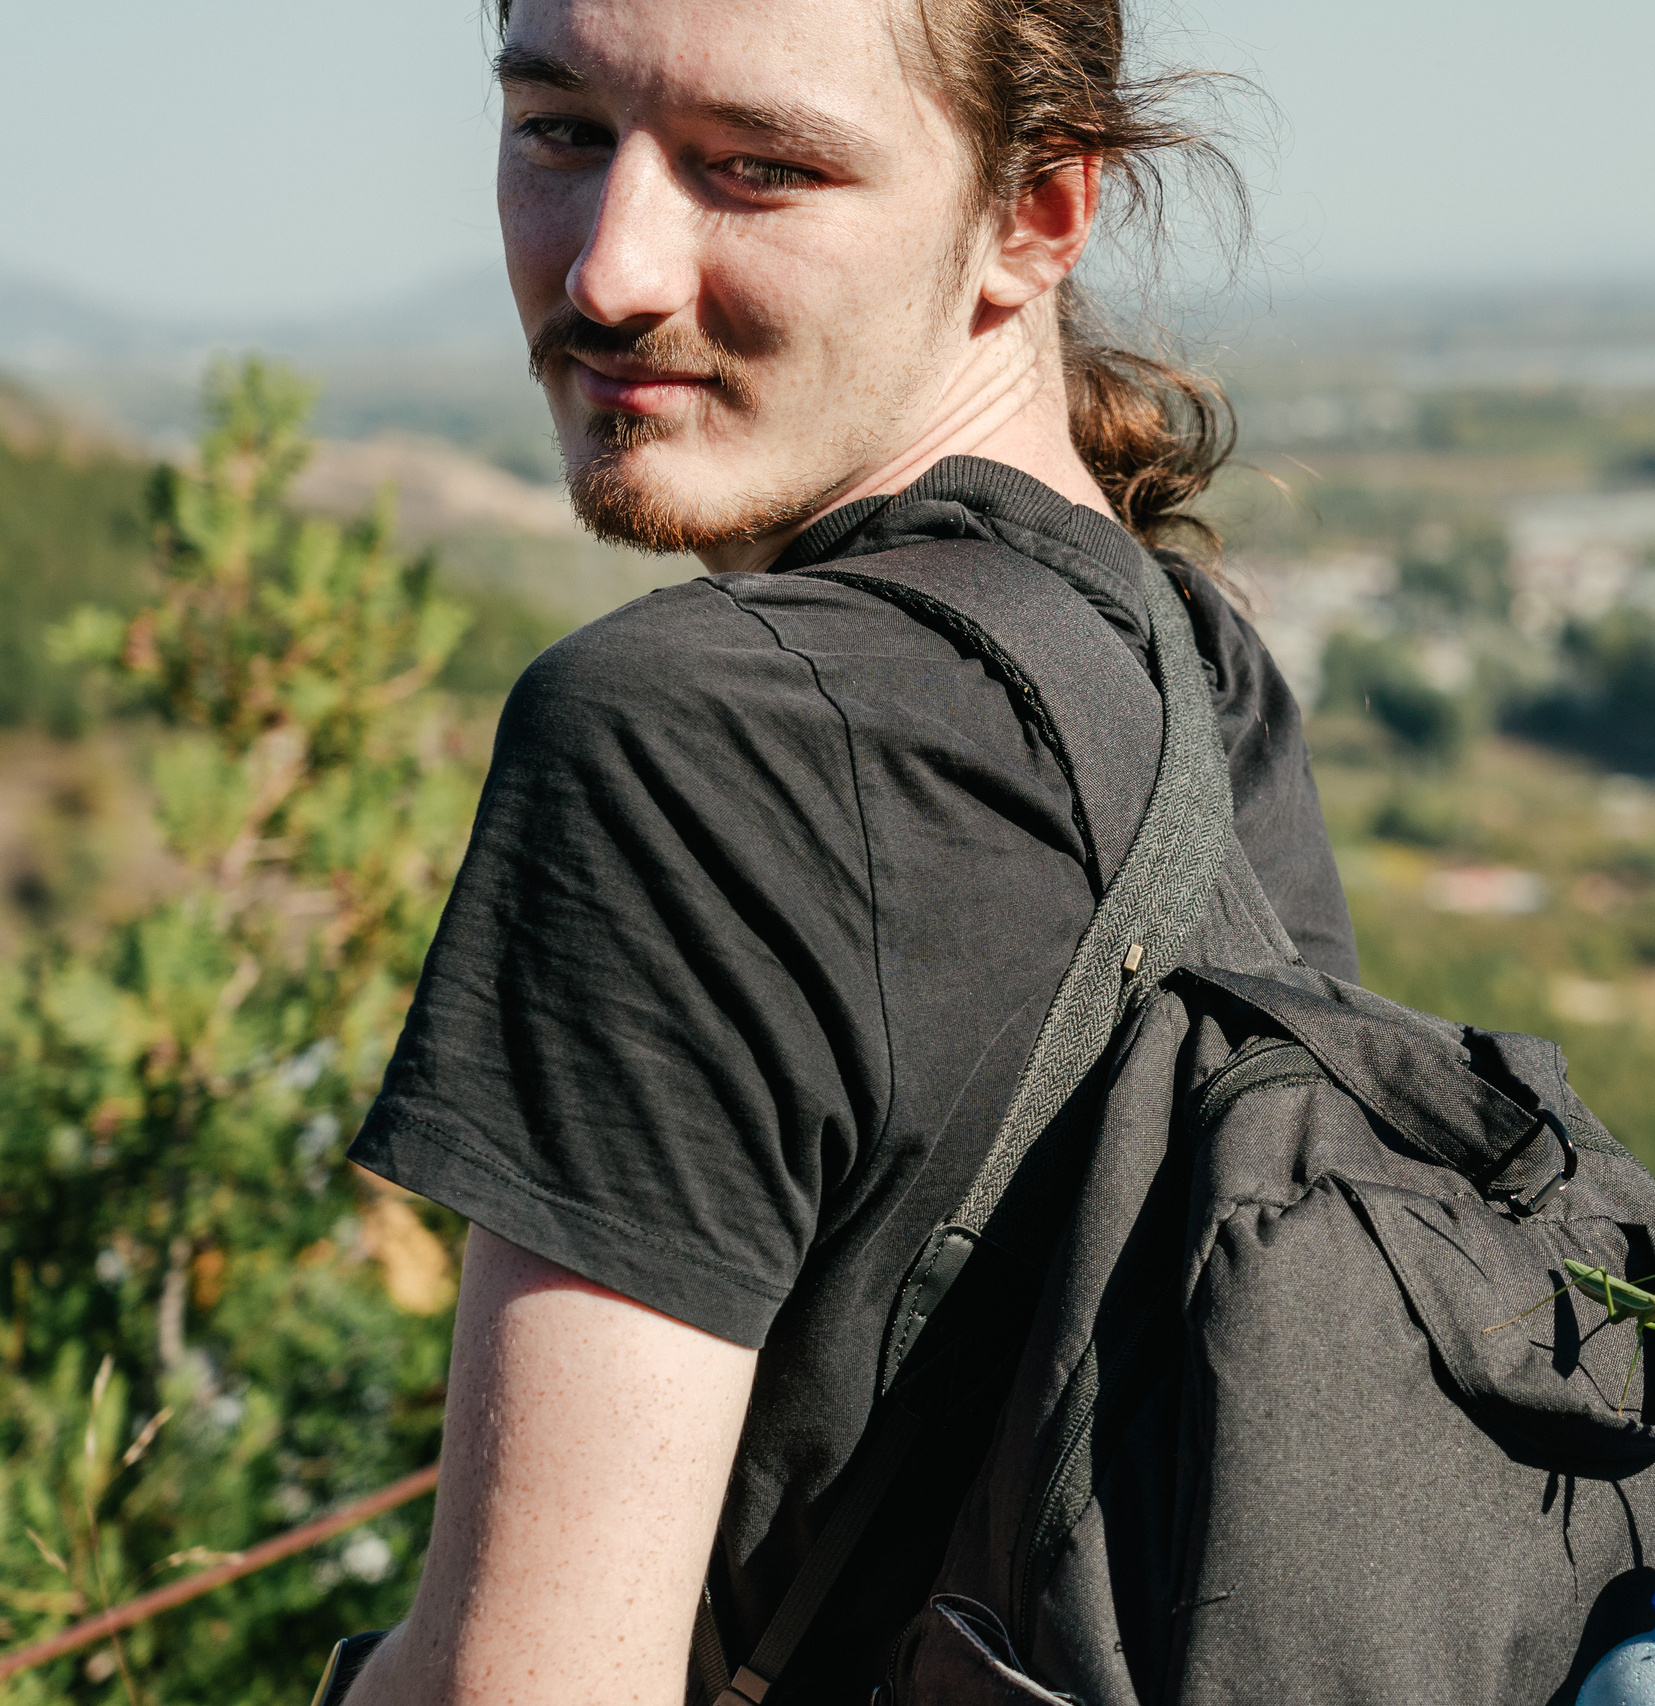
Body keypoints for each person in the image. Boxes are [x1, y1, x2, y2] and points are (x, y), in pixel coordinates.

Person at [338, 1, 1352, 1701]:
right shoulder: (1195, 669)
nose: (608, 273)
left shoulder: (687, 739)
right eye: (561, 132)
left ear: (1040, 210)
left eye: (762, 167)